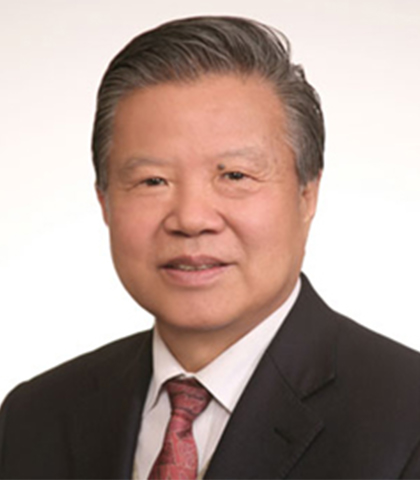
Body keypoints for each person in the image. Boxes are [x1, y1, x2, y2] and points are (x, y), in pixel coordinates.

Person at [1, 15, 420, 480]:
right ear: (105, 202)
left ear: (307, 195)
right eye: (152, 181)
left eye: (235, 175)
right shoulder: (33, 417)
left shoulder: (406, 417)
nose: (191, 219)